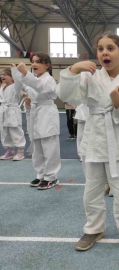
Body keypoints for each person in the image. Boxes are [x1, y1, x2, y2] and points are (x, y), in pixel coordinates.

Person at [57, 31, 119, 253]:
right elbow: (66, 95)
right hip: (94, 138)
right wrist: (73, 70)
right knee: (92, 190)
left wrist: (117, 105)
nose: (105, 52)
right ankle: (94, 228)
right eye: (101, 48)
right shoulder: (88, 77)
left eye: (111, 48)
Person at [13, 53, 61, 190]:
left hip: (47, 113)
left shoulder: (49, 79)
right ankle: (40, 174)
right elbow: (23, 88)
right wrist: (15, 74)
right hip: (35, 112)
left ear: (47, 65)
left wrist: (24, 72)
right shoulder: (33, 79)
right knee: (37, 146)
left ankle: (51, 177)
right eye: (33, 62)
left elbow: (39, 87)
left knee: (49, 146)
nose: (34, 64)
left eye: (38, 62)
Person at [0, 67, 26, 161]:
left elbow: (19, 80)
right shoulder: (2, 87)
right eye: (1, 74)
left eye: (5, 74)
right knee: (5, 132)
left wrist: (14, 69)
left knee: (15, 130)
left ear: (12, 77)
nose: (2, 76)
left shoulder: (16, 86)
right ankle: (10, 150)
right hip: (3, 110)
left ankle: (20, 151)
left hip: (13, 110)